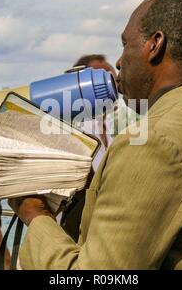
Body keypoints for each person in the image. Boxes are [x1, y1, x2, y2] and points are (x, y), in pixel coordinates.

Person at [9, 0, 182, 269]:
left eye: (126, 44)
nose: (120, 61)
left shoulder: (153, 143)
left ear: (155, 45)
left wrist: (35, 213)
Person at [60, 54, 116, 242]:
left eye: (114, 80)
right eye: (104, 80)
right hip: (68, 234)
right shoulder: (71, 127)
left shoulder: (110, 135)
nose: (114, 87)